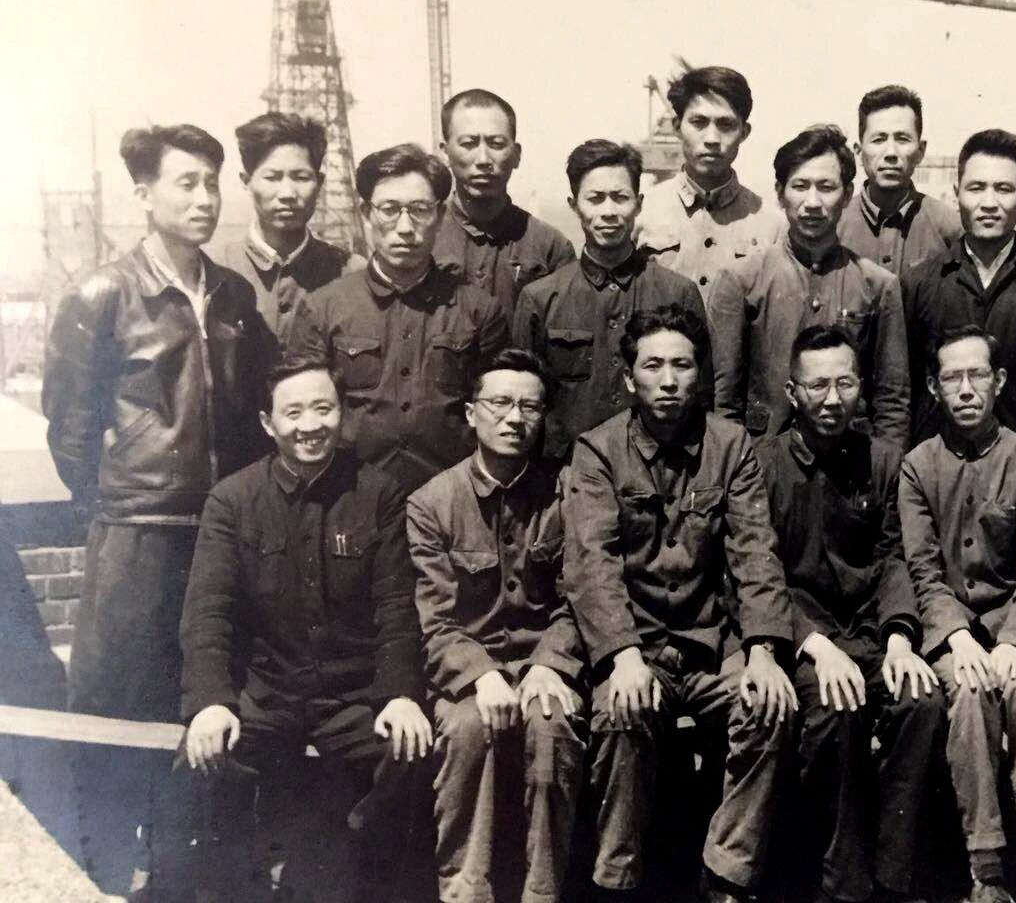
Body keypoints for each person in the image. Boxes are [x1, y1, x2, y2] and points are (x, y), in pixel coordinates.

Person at [42, 123, 264, 892]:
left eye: (212, 183)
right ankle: (112, 874)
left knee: (206, 702)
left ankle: (189, 869)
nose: (205, 199)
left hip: (218, 531)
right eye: (185, 183)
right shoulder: (102, 295)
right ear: (143, 194)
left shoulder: (233, 296)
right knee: (119, 706)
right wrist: (118, 502)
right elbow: (70, 429)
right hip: (138, 535)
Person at [564, 304, 797, 903]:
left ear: (700, 374)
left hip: (711, 646)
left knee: (769, 705)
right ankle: (617, 881)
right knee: (620, 713)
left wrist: (763, 650)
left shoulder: (731, 445)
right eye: (653, 366)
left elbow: (755, 552)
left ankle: (725, 877)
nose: (668, 381)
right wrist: (621, 657)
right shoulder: (597, 451)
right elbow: (592, 565)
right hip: (637, 647)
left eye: (683, 366)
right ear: (629, 378)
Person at [180, 359, 432, 901]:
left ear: (342, 414)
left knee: (409, 752)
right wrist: (210, 702)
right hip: (268, 695)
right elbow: (208, 613)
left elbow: (396, 606)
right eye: (293, 413)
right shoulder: (232, 500)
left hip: (353, 698)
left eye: (323, 409)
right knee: (202, 757)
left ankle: (360, 876)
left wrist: (401, 694)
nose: (310, 425)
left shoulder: (379, 493)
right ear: (268, 423)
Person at [754, 324, 944, 903]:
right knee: (837, 712)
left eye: (845, 384)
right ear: (792, 393)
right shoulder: (761, 466)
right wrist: (813, 645)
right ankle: (842, 885)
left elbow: (894, 558)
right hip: (803, 639)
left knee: (920, 701)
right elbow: (758, 573)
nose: (832, 399)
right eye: (817, 386)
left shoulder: (884, 461)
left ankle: (893, 876)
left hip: (871, 634)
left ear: (862, 386)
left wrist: (900, 639)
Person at [407, 348, 587, 903]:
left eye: (530, 407)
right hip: (468, 674)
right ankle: (466, 891)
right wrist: (481, 673)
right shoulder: (432, 503)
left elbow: (580, 596)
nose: (515, 419)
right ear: (471, 413)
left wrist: (550, 664)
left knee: (552, 728)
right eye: (501, 403)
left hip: (542, 667)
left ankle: (542, 892)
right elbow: (434, 620)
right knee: (468, 730)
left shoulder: (565, 494)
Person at [900, 327, 1016, 903]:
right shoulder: (918, 468)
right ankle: (987, 868)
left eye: (978, 375)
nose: (966, 389)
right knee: (968, 695)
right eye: (952, 377)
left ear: (998, 381)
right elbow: (921, 568)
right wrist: (955, 637)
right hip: (953, 635)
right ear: (933, 387)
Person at [286, 142, 509, 495]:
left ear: (440, 215)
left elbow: (497, 414)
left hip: (448, 499)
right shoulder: (322, 308)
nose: (405, 227)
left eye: (420, 210)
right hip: (349, 498)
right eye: (389, 209)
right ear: (366, 212)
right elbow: (300, 414)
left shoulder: (479, 310)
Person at [710, 124, 909, 443]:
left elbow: (892, 402)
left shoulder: (877, 285)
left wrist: (885, 463)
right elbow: (724, 401)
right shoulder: (742, 280)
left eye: (826, 187)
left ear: (847, 195)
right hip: (763, 456)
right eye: (800, 186)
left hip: (852, 460)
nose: (813, 202)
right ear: (780, 193)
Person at [512, 139, 707, 459]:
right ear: (574, 205)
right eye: (595, 199)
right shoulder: (540, 299)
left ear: (639, 204)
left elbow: (701, 397)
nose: (608, 212)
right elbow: (523, 402)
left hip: (660, 471)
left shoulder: (678, 293)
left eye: (620, 197)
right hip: (566, 474)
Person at [901, 128, 1016, 443]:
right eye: (976, 188)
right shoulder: (919, 284)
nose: (989, 203)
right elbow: (906, 391)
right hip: (940, 461)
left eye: (1004, 189)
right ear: (957, 193)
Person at [632, 65, 784, 302]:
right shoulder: (640, 214)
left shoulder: (773, 226)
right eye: (699, 122)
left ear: (744, 132)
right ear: (677, 127)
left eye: (726, 125)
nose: (712, 139)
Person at [224, 111, 364, 366]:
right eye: (272, 177)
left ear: (319, 183)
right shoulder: (214, 270)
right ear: (246, 181)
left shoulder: (353, 273)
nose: (287, 193)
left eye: (301, 177)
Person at [433, 87, 576, 320]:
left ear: (517, 155)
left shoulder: (550, 247)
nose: (483, 159)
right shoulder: (422, 238)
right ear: (444, 152)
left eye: (497, 144)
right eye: (468, 143)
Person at [837, 84, 962, 272]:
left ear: (920, 151)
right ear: (859, 151)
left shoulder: (950, 228)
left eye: (902, 139)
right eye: (878, 139)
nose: (891, 153)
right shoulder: (834, 226)